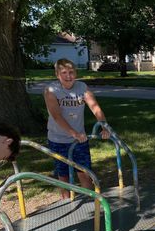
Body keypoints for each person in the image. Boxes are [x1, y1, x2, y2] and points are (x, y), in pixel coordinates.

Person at [44, 58, 110, 198]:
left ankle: (91, 203)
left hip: (80, 139)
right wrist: (74, 133)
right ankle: (67, 203)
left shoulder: (82, 87)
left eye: (71, 72)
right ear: (57, 74)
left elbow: (95, 107)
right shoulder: (51, 90)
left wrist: (104, 126)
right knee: (63, 175)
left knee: (84, 173)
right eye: (64, 73)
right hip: (58, 139)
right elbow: (56, 115)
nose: (68, 76)